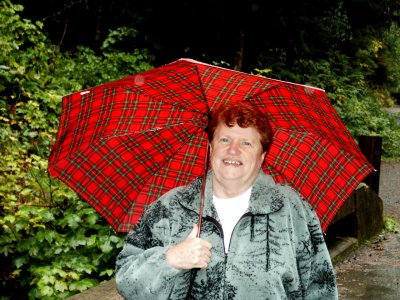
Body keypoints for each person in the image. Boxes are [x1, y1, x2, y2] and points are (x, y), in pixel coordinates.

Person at [115, 101, 338, 299]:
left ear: (262, 156)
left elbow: (321, 289)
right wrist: (169, 260)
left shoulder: (292, 209)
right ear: (211, 148)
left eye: (246, 143)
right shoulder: (170, 207)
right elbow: (126, 281)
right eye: (225, 139)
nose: (233, 150)